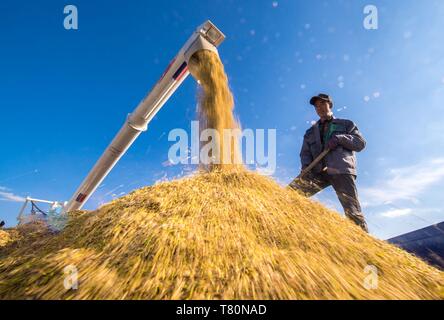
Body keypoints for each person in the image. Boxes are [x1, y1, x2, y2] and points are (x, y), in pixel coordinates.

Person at [290, 93, 369, 232]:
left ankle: (365, 242)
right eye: (316, 106)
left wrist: (340, 138)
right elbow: (305, 153)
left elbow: (360, 143)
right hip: (318, 171)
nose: (319, 107)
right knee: (292, 194)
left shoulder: (346, 124)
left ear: (329, 104)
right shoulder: (310, 132)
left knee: (352, 211)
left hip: (340, 169)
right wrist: (305, 167)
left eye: (322, 104)